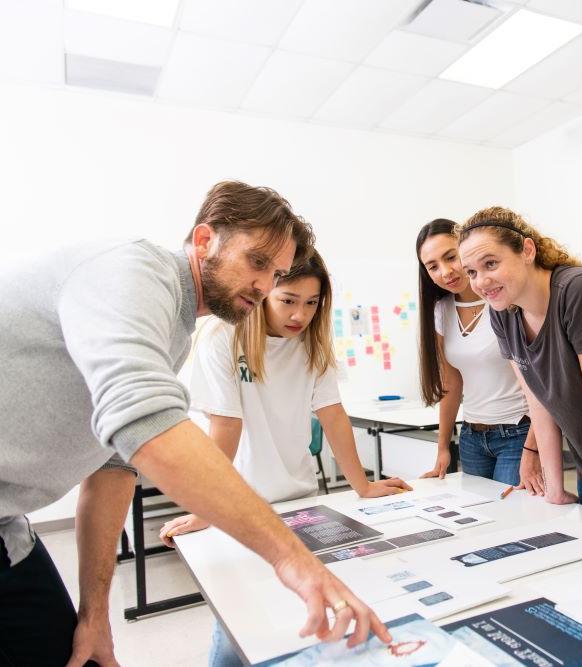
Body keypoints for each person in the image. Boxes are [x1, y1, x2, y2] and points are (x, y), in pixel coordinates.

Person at [0, 181, 390, 667]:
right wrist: (291, 557)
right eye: (257, 262)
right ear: (205, 240)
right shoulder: (132, 271)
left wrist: (95, 613)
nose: (266, 286)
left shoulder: (175, 331)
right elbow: (144, 418)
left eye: (278, 273)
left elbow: (114, 468)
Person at [157, 251, 412, 666]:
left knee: (302, 612)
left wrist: (362, 485)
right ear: (264, 293)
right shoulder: (224, 337)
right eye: (289, 300)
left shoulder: (312, 346)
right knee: (242, 622)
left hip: (299, 500)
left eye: (311, 303)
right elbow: (225, 426)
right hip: (238, 506)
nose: (300, 314)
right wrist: (206, 509)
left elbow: (332, 413)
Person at [457, 207, 582, 521]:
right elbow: (539, 402)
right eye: (472, 272)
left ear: (527, 250)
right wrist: (554, 489)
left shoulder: (580, 291)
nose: (481, 281)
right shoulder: (502, 311)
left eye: (491, 263)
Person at [414, 219, 542, 494]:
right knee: (482, 522)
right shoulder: (441, 310)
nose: (445, 271)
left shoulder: (504, 298)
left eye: (451, 257)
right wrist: (443, 448)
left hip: (517, 432)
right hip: (471, 437)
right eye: (433, 266)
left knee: (511, 519)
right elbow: (451, 384)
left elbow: (537, 380)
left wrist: (535, 444)